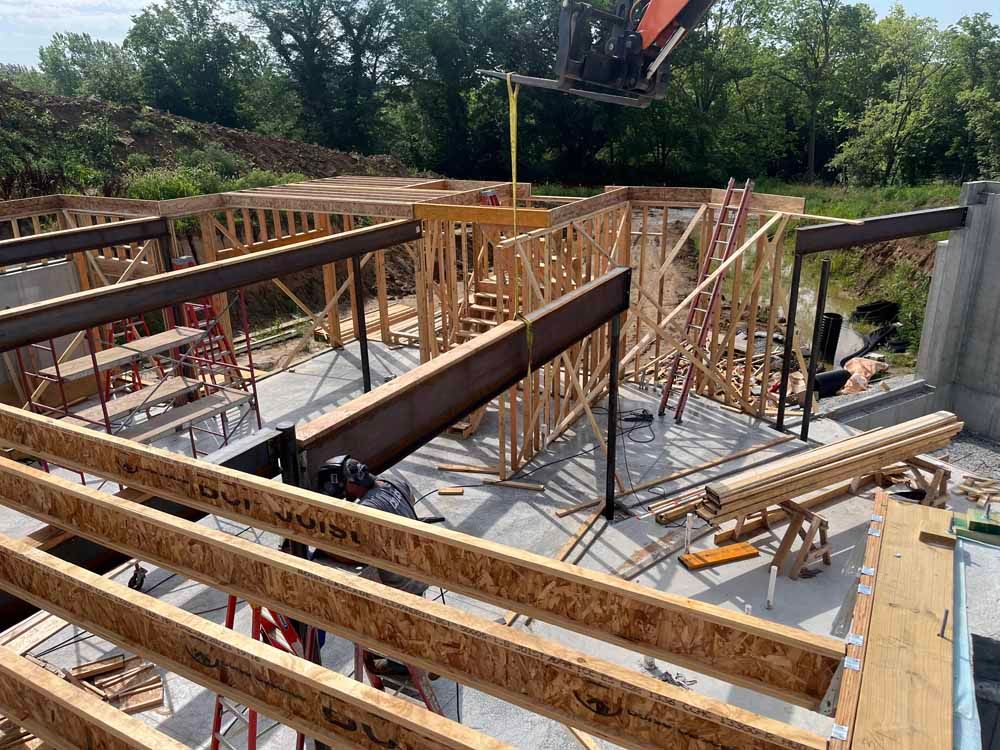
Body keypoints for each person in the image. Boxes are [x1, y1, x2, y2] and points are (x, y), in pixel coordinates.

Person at [313, 454, 431, 677]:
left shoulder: (369, 510)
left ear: (349, 483)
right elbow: (409, 497)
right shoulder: (391, 481)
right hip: (421, 564)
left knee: (390, 616)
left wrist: (323, 547)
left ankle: (405, 665)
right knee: (414, 615)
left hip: (403, 583)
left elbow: (358, 557)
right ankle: (419, 652)